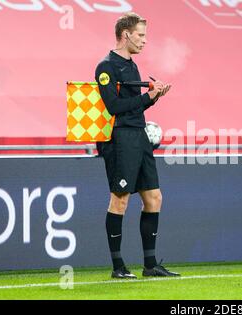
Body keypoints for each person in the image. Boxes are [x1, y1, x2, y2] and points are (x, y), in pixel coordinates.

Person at [95, 12, 179, 279]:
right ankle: (118, 267)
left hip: (139, 135)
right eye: (140, 35)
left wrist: (153, 98)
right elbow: (114, 108)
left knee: (154, 198)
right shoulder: (106, 66)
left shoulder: (132, 65)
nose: (144, 41)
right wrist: (147, 98)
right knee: (119, 201)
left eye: (145, 35)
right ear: (126, 34)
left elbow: (134, 106)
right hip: (119, 139)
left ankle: (150, 265)